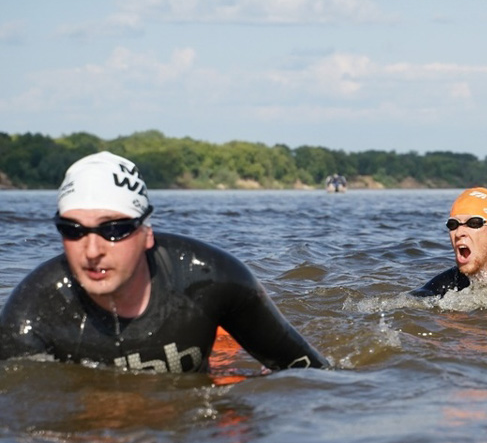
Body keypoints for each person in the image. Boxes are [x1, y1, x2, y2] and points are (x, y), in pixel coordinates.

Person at [0, 151, 327, 374]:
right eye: (73, 230)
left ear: (146, 233)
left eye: (114, 230)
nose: (92, 250)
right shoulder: (31, 314)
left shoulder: (215, 279)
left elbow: (314, 376)